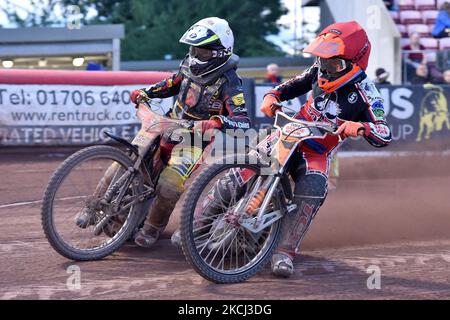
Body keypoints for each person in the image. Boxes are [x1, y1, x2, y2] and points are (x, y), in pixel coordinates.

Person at [75, 17, 251, 248]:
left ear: (219, 53)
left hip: (194, 139)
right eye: (194, 49)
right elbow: (172, 83)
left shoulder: (230, 82)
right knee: (124, 161)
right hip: (165, 123)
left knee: (169, 185)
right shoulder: (189, 64)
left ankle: (152, 228)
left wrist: (217, 122)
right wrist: (146, 92)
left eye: (203, 52)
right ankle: (93, 206)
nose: (196, 55)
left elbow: (242, 120)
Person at [260, 21, 392, 277]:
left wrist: (361, 127)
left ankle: (285, 251)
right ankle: (200, 220)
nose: (325, 68)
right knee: (246, 164)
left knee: (314, 187)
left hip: (315, 151)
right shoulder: (317, 70)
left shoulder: (368, 93)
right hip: (287, 134)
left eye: (334, 64)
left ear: (354, 63)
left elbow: (385, 133)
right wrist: (272, 96)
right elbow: (288, 86)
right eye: (322, 60)